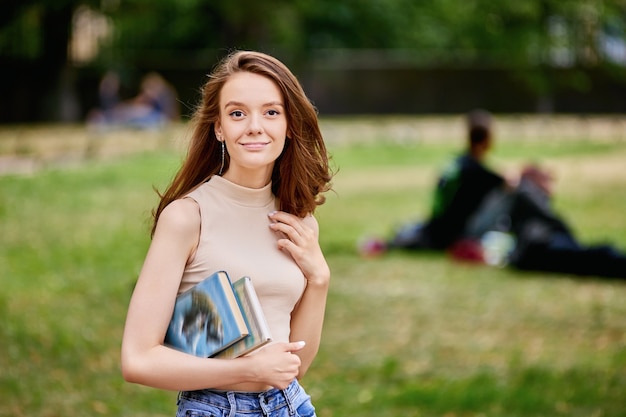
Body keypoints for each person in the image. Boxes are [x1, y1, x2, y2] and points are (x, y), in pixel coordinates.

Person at [121, 50, 334, 416]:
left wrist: (319, 279)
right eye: (237, 113)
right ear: (219, 127)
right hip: (216, 408)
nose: (254, 126)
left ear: (288, 124)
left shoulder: (299, 221)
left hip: (291, 406)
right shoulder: (188, 217)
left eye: (271, 112)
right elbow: (138, 360)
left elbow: (295, 366)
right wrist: (247, 369)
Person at [360, 109, 514, 257]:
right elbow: (509, 183)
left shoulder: (458, 164)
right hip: (454, 235)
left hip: (435, 226)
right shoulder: (480, 173)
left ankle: (384, 242)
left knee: (407, 231)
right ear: (488, 139)